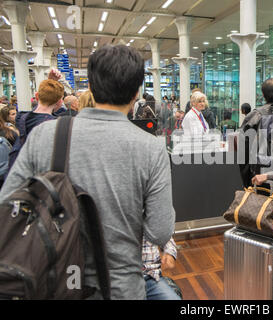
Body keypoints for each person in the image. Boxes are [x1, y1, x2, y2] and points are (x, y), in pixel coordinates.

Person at [0, 44, 175, 300]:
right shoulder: (151, 147)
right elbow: (159, 231)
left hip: (52, 282)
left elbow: (7, 206)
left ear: (91, 87)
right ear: (137, 92)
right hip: (120, 287)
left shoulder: (44, 136)